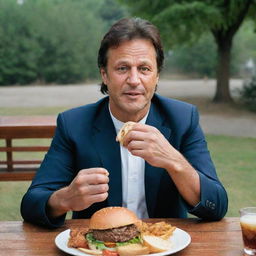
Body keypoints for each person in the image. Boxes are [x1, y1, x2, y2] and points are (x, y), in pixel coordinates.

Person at [21, 17, 228, 228]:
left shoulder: (183, 118)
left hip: (163, 244)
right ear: (104, 75)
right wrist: (66, 198)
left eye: (145, 69)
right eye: (122, 68)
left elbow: (217, 206)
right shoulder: (73, 124)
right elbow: (31, 204)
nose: (134, 80)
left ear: (157, 76)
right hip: (99, 247)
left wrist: (173, 161)